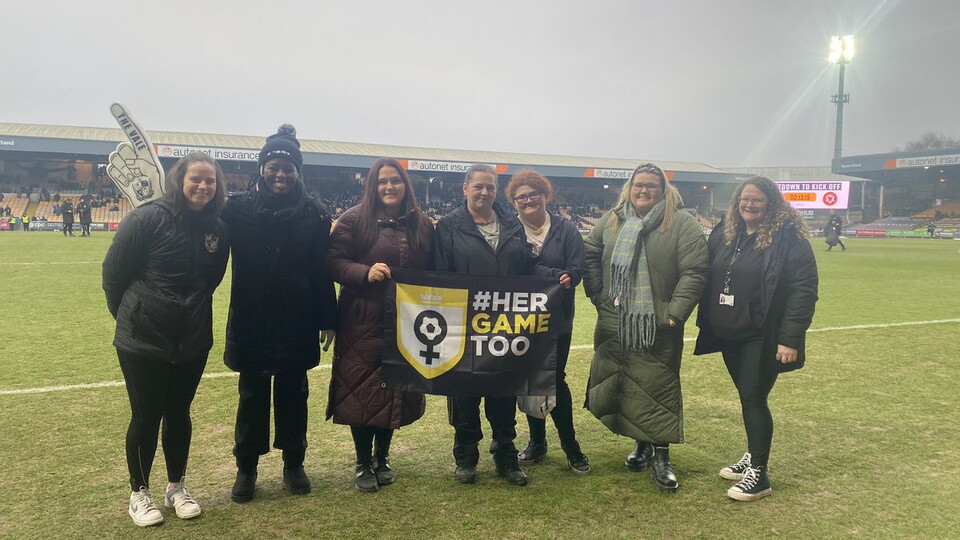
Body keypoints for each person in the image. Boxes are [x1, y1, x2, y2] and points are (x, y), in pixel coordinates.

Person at [102, 152, 229, 527]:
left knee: (179, 412)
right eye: (197, 179)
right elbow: (114, 274)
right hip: (143, 338)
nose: (204, 186)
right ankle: (139, 492)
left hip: (192, 337)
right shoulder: (146, 218)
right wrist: (133, 316)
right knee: (146, 414)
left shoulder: (218, 228)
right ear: (179, 180)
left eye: (211, 181)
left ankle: (176, 486)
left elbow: (213, 279)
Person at [222, 124, 338, 503]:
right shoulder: (236, 210)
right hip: (251, 319)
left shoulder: (315, 215)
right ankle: (247, 469)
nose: (280, 174)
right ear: (262, 169)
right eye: (273, 166)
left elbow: (322, 272)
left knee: (294, 393)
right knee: (251, 394)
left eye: (288, 168)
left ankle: (294, 463)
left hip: (297, 320)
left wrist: (328, 318)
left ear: (298, 172)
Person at [434, 164, 567, 487]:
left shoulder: (510, 222)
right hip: (465, 325)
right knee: (465, 393)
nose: (484, 193)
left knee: (503, 392)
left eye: (490, 187)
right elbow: (438, 273)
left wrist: (553, 276)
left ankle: (505, 455)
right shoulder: (449, 226)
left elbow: (526, 265)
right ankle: (465, 456)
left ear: (496, 190)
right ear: (464, 189)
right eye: (478, 186)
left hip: (505, 326)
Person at [583, 163, 708, 493]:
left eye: (652, 185)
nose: (644, 190)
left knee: (658, 387)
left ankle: (661, 456)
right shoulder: (613, 219)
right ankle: (640, 444)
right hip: (615, 320)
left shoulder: (681, 223)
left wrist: (674, 313)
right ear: (630, 187)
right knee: (625, 383)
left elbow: (694, 272)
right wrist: (598, 294)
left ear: (663, 189)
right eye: (639, 185)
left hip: (658, 324)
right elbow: (591, 252)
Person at [694, 176, 818, 502]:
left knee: (753, 397)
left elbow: (803, 291)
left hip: (762, 335)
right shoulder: (725, 233)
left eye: (757, 200)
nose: (749, 205)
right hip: (728, 332)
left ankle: (759, 474)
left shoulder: (788, 238)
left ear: (771, 204)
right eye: (744, 199)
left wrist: (790, 339)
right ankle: (752, 455)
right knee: (748, 395)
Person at [326, 158, 433, 492]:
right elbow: (332, 261)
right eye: (382, 181)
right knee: (362, 391)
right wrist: (364, 272)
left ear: (405, 185)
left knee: (395, 389)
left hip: (408, 319)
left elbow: (435, 267)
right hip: (362, 319)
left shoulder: (422, 223)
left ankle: (382, 456)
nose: (389, 187)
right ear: (372, 185)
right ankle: (362, 461)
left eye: (395, 181)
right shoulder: (354, 219)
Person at [504, 169, 590, 475]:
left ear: (546, 196)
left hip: (557, 319)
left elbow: (576, 270)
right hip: (520, 319)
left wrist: (555, 275)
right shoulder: (509, 229)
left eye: (533, 195)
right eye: (521, 197)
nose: (528, 200)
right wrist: (553, 274)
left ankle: (571, 447)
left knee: (555, 379)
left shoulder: (566, 229)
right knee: (528, 379)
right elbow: (514, 273)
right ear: (514, 202)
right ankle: (537, 443)